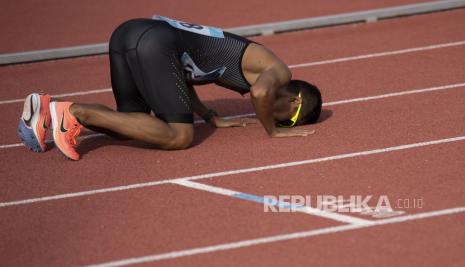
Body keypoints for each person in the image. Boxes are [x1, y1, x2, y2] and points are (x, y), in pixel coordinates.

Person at [18, 16, 322, 160]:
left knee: (132, 124)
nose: (278, 118)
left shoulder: (252, 70)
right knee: (179, 136)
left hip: (129, 33)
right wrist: (275, 132)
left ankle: (50, 109)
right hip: (153, 42)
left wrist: (209, 115)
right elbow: (260, 95)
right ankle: (73, 112)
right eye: (289, 119)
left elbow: (181, 77)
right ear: (295, 103)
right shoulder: (279, 72)